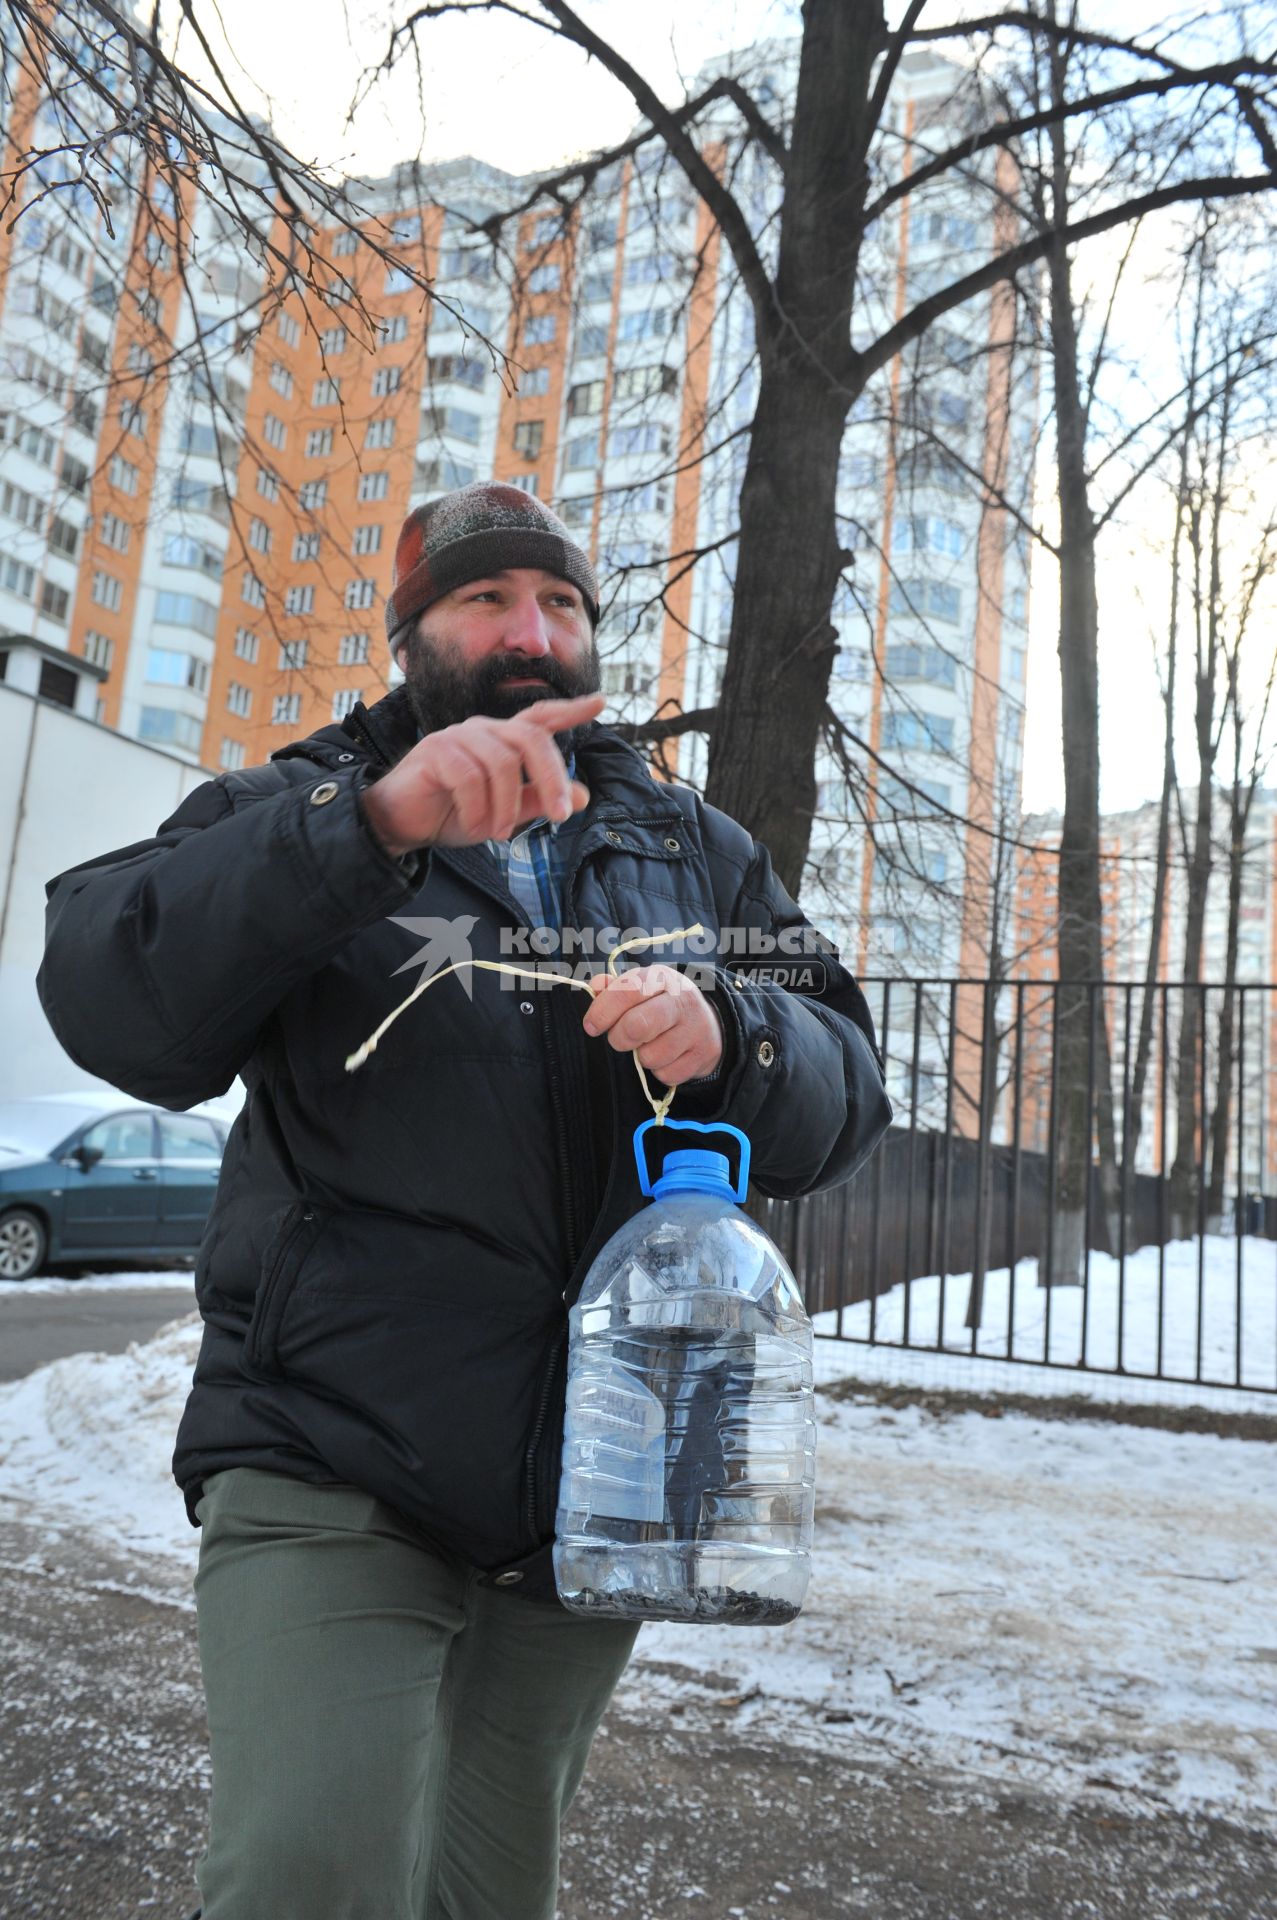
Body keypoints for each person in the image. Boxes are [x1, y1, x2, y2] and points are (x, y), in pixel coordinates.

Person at [37, 482, 891, 1920]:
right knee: (308, 1872)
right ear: (413, 633)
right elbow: (112, 997)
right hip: (331, 1454)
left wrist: (733, 1033)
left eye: (558, 603)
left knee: (484, 1894)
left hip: (599, 1486)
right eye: (486, 600)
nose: (528, 630)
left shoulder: (693, 851)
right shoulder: (293, 806)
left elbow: (844, 1088)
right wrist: (369, 825)